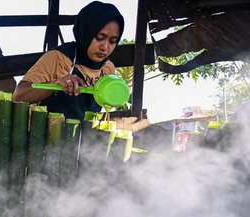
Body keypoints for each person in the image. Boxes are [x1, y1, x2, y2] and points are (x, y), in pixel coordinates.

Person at [13, 1, 149, 132]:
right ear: (85, 32)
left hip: (81, 145)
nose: (105, 47)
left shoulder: (108, 69)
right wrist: (55, 84)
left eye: (113, 41)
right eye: (100, 37)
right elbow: (19, 94)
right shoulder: (59, 58)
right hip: (45, 142)